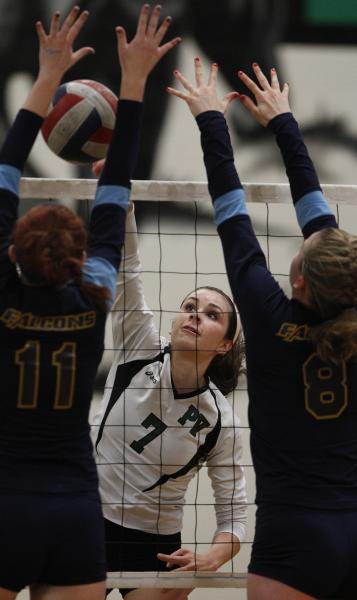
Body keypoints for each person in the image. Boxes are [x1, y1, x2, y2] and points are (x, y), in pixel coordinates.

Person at [0, 4, 180, 599]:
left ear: (12, 255)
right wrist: (135, 84)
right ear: (80, 258)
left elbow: (5, 172)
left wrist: (44, 78)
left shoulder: (9, 295)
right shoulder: (96, 295)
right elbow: (118, 183)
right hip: (75, 509)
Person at [167, 57, 357, 599]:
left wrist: (210, 119)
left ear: (299, 280)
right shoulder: (346, 306)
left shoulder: (271, 322)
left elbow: (230, 211)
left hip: (295, 534)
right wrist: (285, 121)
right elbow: (318, 218)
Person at [92, 165, 247, 597]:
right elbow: (129, 269)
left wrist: (213, 557)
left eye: (212, 315)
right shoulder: (140, 344)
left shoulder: (223, 421)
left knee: (176, 588)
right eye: (190, 305)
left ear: (225, 344)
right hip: (90, 518)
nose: (195, 314)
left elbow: (233, 514)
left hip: (155, 542)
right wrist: (121, 206)